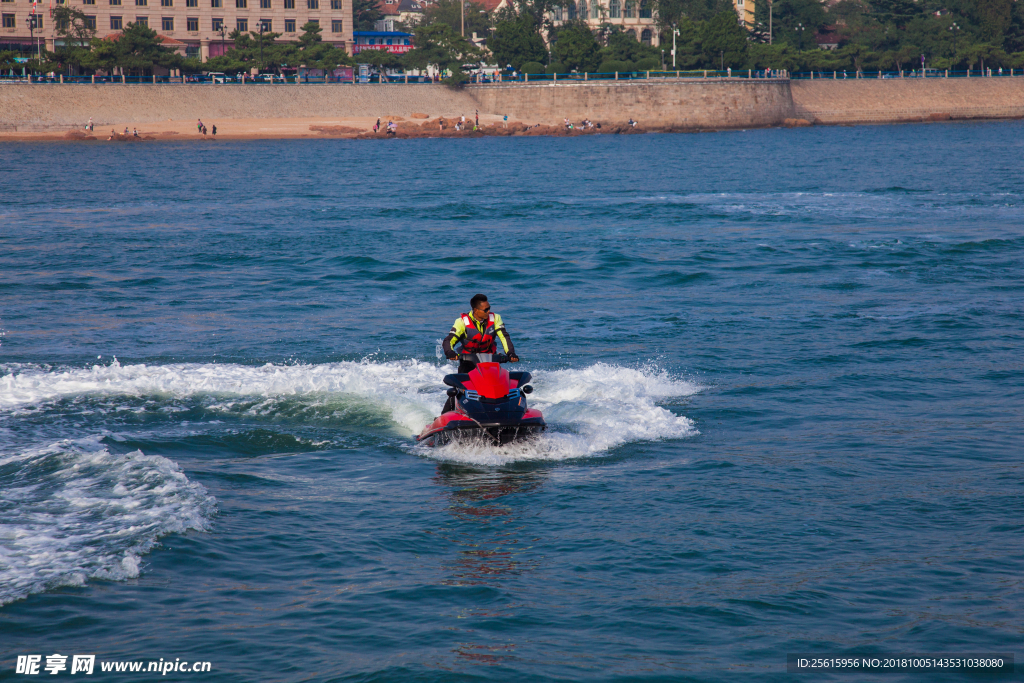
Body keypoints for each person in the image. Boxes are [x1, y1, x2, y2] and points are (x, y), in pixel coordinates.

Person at [440, 294, 519, 412]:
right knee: (460, 389)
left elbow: (504, 337)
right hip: (468, 361)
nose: (488, 311)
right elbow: (449, 340)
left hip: (490, 360)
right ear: (476, 310)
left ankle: (500, 411)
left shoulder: (495, 318)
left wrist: (511, 353)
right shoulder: (462, 322)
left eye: (489, 308)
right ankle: (444, 416)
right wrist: (450, 352)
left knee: (497, 388)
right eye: (485, 310)